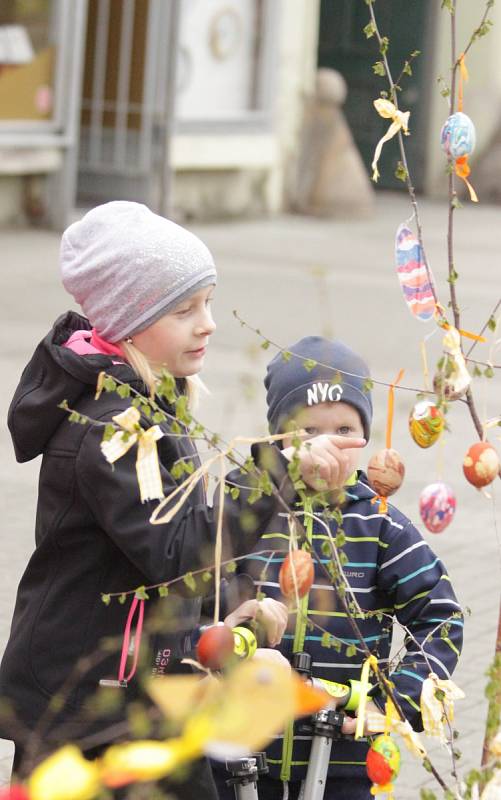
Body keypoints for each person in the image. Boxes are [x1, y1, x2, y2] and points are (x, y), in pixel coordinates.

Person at [0, 204, 366, 798]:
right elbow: (177, 548)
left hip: (143, 690)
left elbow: (172, 553)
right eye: (184, 309)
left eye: (209, 302)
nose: (209, 324)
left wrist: (229, 608)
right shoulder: (112, 429)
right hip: (86, 708)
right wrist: (277, 467)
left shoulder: (151, 407)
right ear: (128, 319)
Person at [213, 336, 463, 800]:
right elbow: (197, 586)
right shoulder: (249, 505)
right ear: (279, 438)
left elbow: (440, 617)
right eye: (309, 431)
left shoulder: (381, 526)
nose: (329, 446)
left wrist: (391, 703)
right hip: (240, 753)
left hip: (342, 760)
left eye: (345, 429)